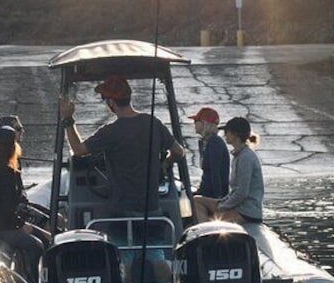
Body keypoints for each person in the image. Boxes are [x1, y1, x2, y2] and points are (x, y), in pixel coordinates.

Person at [58, 74, 185, 218]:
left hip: (122, 214)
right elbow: (179, 151)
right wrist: (165, 163)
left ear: (111, 102)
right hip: (153, 212)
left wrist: (68, 119)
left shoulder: (111, 132)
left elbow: (78, 150)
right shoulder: (153, 123)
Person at [0, 125, 50, 282]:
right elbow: (6, 208)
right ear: (13, 147)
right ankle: (34, 282)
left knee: (44, 236)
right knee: (36, 245)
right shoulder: (6, 173)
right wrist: (22, 224)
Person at [193, 116, 264, 224]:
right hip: (235, 205)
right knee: (196, 201)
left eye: (227, 131)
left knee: (212, 219)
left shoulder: (246, 157)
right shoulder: (238, 155)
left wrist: (222, 206)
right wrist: (222, 201)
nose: (225, 134)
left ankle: (207, 235)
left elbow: (242, 192)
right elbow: (235, 191)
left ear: (235, 134)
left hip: (246, 212)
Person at [188, 106, 230, 199]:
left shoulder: (215, 142)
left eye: (196, 121)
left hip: (213, 194)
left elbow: (215, 172)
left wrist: (218, 198)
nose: (194, 124)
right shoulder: (204, 142)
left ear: (204, 123)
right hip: (205, 191)